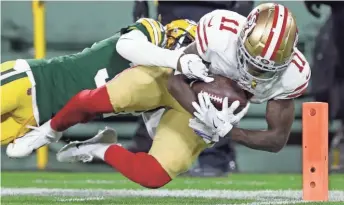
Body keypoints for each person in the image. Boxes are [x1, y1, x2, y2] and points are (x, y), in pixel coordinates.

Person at [26, 3, 308, 189]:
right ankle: (49, 130)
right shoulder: (220, 32)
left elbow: (276, 140)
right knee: (95, 100)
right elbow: (175, 78)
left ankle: (99, 148)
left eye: (266, 69)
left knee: (153, 176)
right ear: (242, 38)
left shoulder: (293, 76)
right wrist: (203, 113)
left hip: (206, 116)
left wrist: (228, 132)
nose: (255, 73)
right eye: (250, 61)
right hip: (179, 84)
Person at [1, 18, 198, 158]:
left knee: (14, 151)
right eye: (188, 45)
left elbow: (159, 135)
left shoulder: (162, 84)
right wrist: (177, 59)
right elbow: (126, 46)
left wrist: (200, 122)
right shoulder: (152, 31)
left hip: (37, 116)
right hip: (32, 80)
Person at [133, 0, 254, 176]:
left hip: (218, 9)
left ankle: (215, 157)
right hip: (170, 8)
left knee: (216, 83)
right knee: (165, 75)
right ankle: (159, 152)